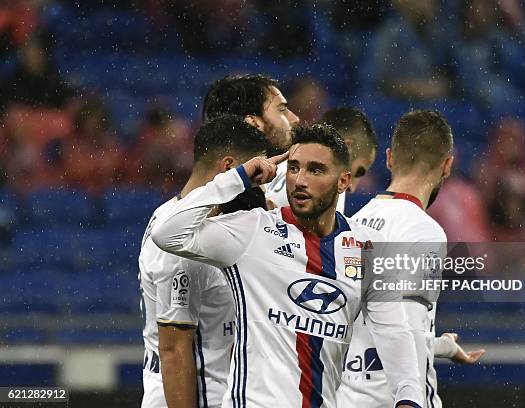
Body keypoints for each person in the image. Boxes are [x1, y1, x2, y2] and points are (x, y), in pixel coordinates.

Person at [151, 124, 425, 408]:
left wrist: (409, 398)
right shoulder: (252, 231)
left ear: (343, 182)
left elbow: (394, 331)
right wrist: (239, 177)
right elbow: (167, 233)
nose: (300, 180)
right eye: (294, 168)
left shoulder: (370, 246)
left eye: (315, 170)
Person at [337, 110, 485, 408]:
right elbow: (408, 330)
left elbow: (378, 320)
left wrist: (443, 345)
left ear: (390, 158)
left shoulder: (352, 223)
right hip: (398, 398)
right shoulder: (424, 232)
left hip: (351, 395)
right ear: (447, 166)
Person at [139, 114, 269, 408]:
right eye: (254, 174)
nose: (259, 185)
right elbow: (173, 350)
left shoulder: (183, 219)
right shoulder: (180, 244)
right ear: (229, 169)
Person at [202, 73, 300, 208]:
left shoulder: (188, 207)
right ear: (253, 122)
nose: (294, 118)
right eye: (282, 110)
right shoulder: (299, 194)